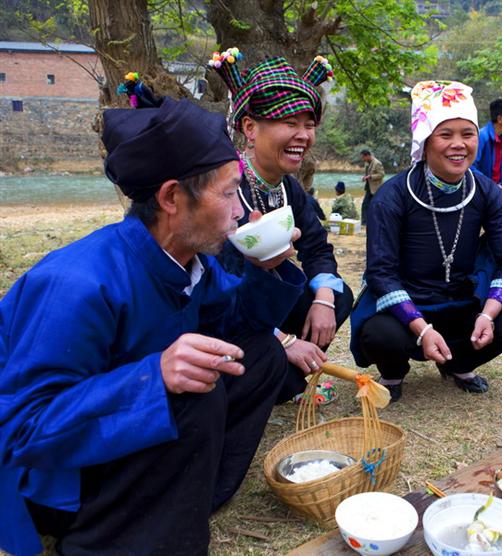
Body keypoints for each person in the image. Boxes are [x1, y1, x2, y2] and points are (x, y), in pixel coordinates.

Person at [0, 94, 307, 555]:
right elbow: (24, 431)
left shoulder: (190, 261)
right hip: (55, 478)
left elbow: (236, 322)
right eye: (227, 194)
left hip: (119, 440)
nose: (240, 212)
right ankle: (109, 536)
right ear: (170, 198)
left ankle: (192, 498)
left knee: (260, 354)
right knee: (190, 398)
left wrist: (267, 269)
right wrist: (152, 376)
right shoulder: (77, 284)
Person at [350, 80, 502, 403]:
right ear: (424, 141)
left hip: (462, 305)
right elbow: (381, 272)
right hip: (405, 311)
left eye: (467, 134)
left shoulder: (487, 192)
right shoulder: (392, 197)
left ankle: (460, 364)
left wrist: (488, 315)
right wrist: (421, 329)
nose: (458, 145)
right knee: (379, 334)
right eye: (445, 134)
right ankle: (393, 374)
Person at [211, 48, 353, 403]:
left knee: (337, 296)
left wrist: (323, 301)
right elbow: (215, 287)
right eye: (289, 123)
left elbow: (318, 248)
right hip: (227, 315)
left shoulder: (289, 188)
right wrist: (283, 338)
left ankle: (288, 381)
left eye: (308, 125)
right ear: (249, 128)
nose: (303, 135)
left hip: (269, 304)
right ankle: (267, 373)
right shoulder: (224, 190)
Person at [471, 98, 502, 204]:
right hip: (483, 191)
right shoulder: (482, 137)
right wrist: (491, 185)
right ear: (500, 119)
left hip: (500, 190)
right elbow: (471, 167)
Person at [360, 149, 385, 226]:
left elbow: (381, 174)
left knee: (376, 206)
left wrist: (370, 176)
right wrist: (365, 177)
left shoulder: (377, 163)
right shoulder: (367, 163)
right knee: (365, 205)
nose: (363, 159)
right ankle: (365, 222)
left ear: (367, 156)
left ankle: (376, 221)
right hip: (369, 188)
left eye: (363, 157)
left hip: (376, 189)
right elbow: (368, 174)